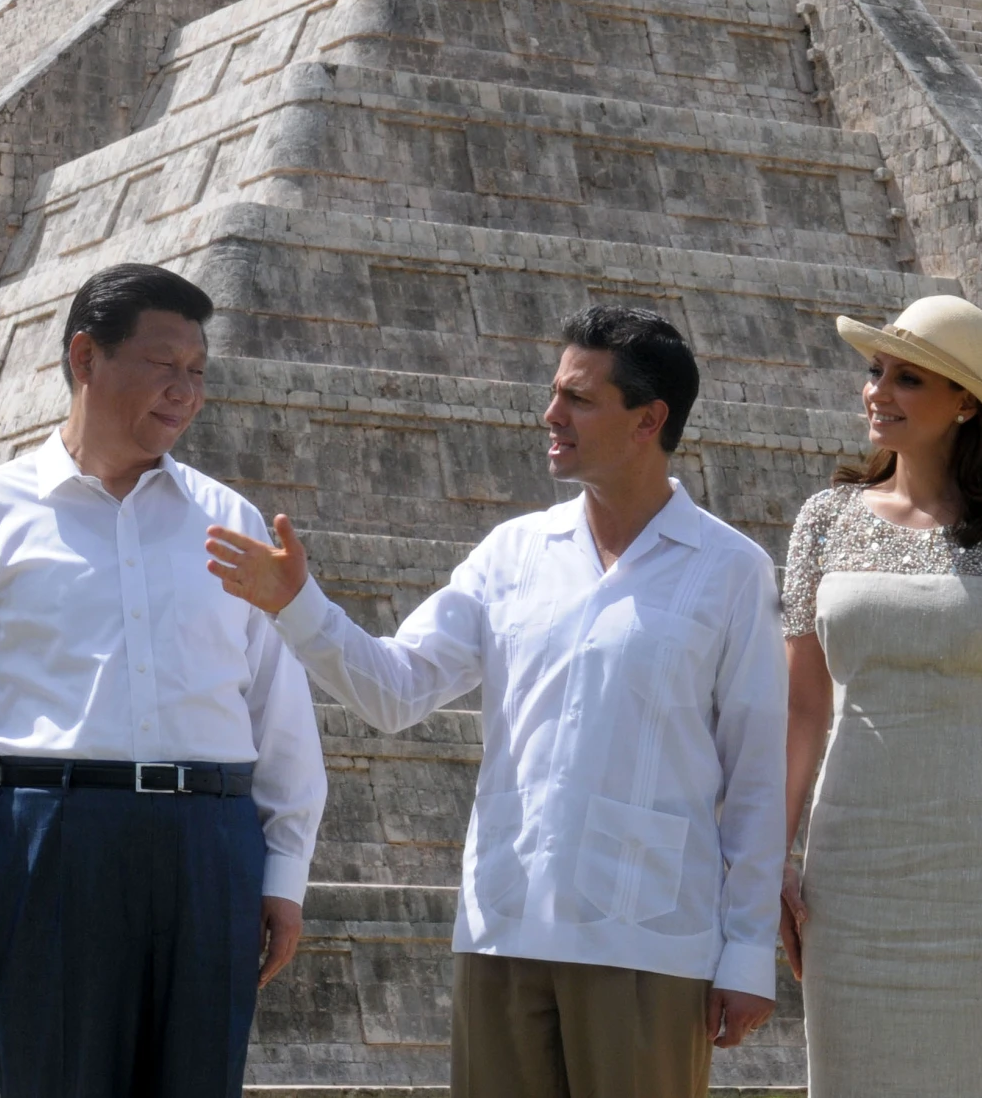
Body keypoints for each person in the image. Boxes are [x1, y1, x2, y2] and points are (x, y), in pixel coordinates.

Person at [208, 305, 785, 1098]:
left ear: (648, 419)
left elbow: (756, 774)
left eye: (579, 398)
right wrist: (297, 603)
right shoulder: (513, 553)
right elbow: (395, 690)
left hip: (648, 940)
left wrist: (749, 950)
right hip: (503, 930)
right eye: (554, 391)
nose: (550, 414)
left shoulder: (729, 569)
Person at [0, 262, 325, 1098]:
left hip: (211, 844)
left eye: (198, 372)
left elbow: (278, 708)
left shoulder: (232, 521)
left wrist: (283, 874)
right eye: (163, 365)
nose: (184, 390)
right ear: (86, 357)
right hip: (52, 841)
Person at [779, 295, 982, 1097]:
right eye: (876, 371)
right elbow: (800, 708)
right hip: (850, 866)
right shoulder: (822, 521)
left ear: (964, 406)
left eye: (907, 378)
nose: (878, 391)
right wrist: (768, 856)